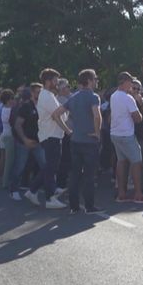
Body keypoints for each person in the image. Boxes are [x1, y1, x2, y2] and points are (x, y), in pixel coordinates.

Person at [52, 69, 104, 214]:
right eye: (95, 79)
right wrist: (97, 132)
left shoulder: (73, 98)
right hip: (89, 140)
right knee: (89, 174)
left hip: (75, 140)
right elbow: (97, 115)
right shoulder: (93, 97)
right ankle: (89, 205)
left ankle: (74, 205)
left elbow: (56, 114)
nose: (96, 81)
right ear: (89, 81)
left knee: (75, 173)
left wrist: (67, 130)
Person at [25, 68, 70, 209]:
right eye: (55, 80)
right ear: (48, 81)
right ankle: (50, 197)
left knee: (50, 166)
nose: (57, 83)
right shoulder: (47, 96)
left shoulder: (49, 95)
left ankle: (33, 190)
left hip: (52, 135)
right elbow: (57, 117)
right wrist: (67, 130)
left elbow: (63, 115)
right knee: (51, 166)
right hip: (51, 135)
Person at [111, 71, 143, 203]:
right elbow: (138, 118)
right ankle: (138, 194)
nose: (133, 89)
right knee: (137, 162)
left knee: (121, 161)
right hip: (127, 134)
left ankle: (121, 193)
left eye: (136, 88)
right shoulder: (128, 98)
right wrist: (138, 104)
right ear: (126, 82)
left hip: (116, 133)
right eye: (132, 85)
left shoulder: (114, 96)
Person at [10, 87, 44, 200]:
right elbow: (17, 125)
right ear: (32, 94)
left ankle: (46, 189)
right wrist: (24, 139)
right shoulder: (25, 106)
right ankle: (13, 189)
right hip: (24, 142)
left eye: (41, 92)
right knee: (19, 166)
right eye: (38, 92)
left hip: (38, 141)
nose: (40, 94)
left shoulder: (42, 106)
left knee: (45, 166)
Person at [56, 78, 72, 190]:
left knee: (68, 158)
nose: (69, 88)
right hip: (64, 132)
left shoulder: (69, 98)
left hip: (69, 131)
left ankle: (64, 181)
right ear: (61, 89)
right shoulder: (59, 101)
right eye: (67, 86)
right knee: (65, 159)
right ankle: (61, 183)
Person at [0, 89, 16, 189]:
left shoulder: (3, 108)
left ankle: (1, 178)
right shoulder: (9, 110)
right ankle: (5, 182)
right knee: (9, 161)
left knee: (3, 158)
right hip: (9, 136)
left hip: (3, 135)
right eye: (12, 98)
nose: (13, 100)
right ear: (8, 99)